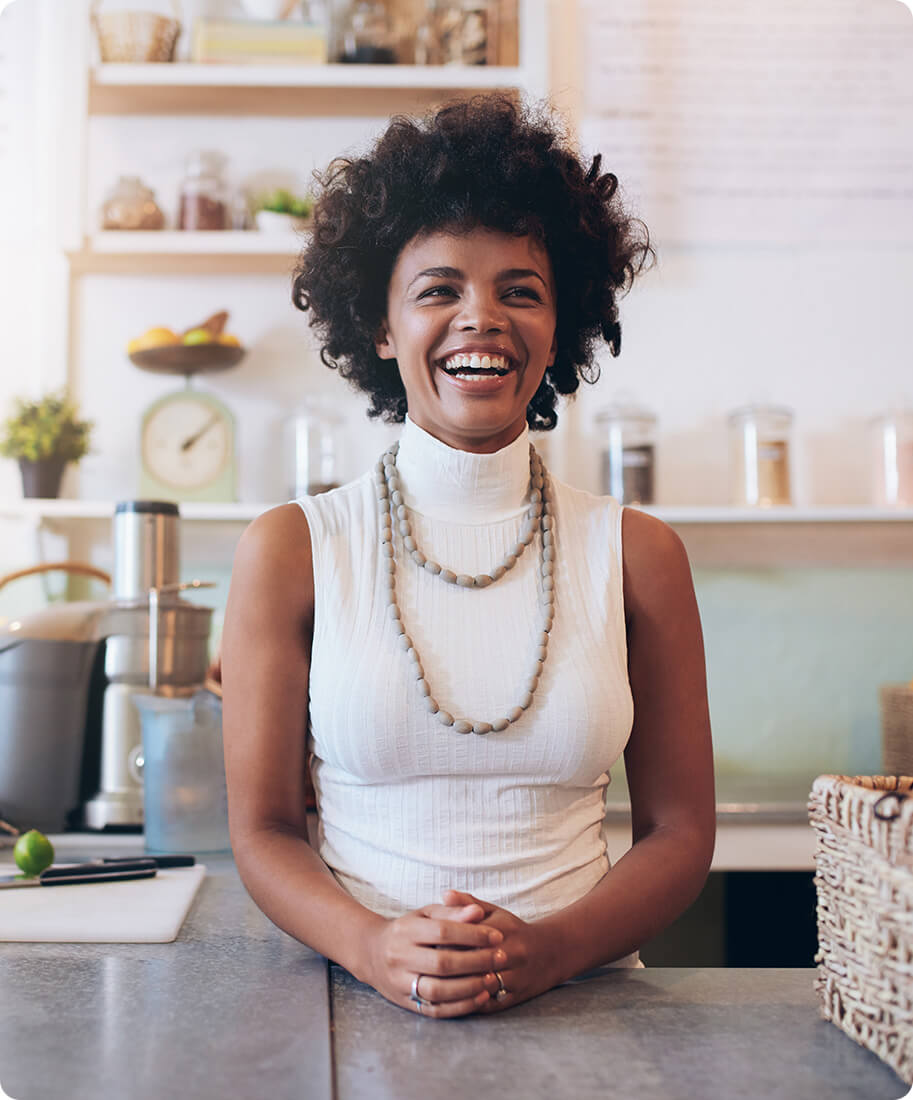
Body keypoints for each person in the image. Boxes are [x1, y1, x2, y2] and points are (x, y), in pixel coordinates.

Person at [220, 94, 715, 1019]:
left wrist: (551, 950)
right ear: (379, 326)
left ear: (561, 323)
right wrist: (372, 946)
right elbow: (262, 831)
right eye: (438, 289)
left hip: (589, 1011)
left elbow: (680, 833)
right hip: (354, 1011)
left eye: (518, 290)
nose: (479, 317)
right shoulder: (294, 549)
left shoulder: (637, 553)